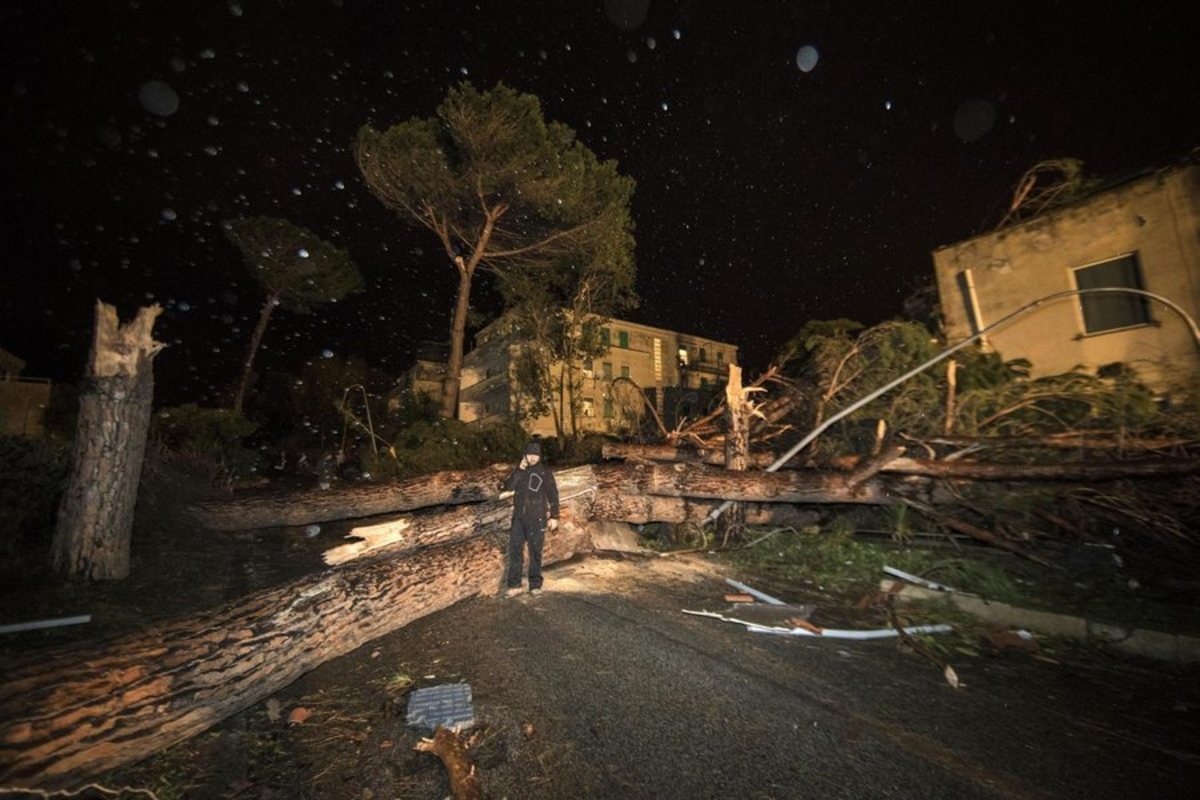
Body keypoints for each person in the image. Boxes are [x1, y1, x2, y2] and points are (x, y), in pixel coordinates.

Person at [503, 441, 559, 596]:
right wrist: (519, 470)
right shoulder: (520, 471)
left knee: (535, 552)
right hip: (519, 519)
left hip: (537, 518)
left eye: (536, 454)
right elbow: (508, 487)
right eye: (530, 454)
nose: (532, 458)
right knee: (515, 551)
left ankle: (535, 584)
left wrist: (554, 516)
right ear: (525, 455)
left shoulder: (544, 472)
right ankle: (514, 584)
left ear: (539, 456)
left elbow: (553, 494)